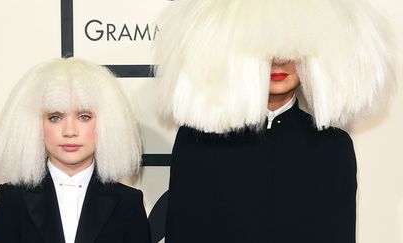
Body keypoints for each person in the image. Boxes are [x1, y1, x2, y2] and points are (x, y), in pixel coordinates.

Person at [154, 0, 393, 242]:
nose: (279, 61)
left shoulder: (333, 146)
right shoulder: (196, 142)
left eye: (292, 49)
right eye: (263, 49)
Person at [0, 58, 150, 243]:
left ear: (107, 123)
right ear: (34, 124)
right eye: (55, 117)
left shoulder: (128, 203)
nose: (70, 131)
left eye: (84, 117)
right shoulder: (12, 199)